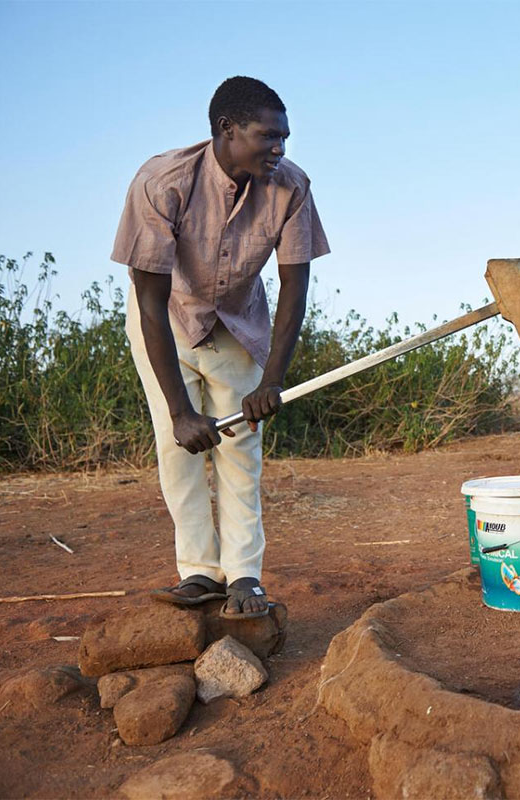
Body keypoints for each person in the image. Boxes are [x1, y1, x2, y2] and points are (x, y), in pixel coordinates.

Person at [111, 76, 329, 618]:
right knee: (178, 446)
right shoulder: (161, 181)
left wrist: (272, 380)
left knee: (240, 446)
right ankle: (200, 573)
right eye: (268, 136)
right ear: (227, 130)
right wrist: (181, 412)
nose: (279, 149)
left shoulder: (292, 187)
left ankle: (245, 575)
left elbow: (295, 289)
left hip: (237, 321)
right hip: (166, 321)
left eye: (285, 138)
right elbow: (150, 301)